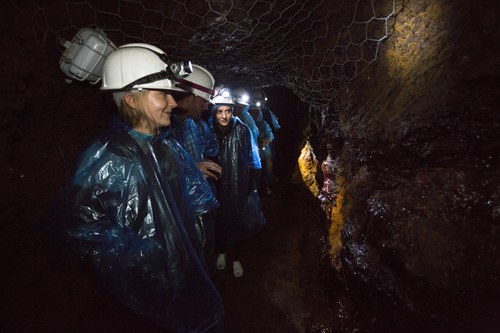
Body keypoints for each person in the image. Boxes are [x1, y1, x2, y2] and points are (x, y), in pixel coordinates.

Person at [42, 43, 224, 332]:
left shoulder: (165, 146)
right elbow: (79, 227)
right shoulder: (109, 156)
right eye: (162, 94)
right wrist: (143, 258)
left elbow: (188, 205)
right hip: (141, 295)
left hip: (180, 276)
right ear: (131, 99)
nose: (173, 103)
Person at [170, 64, 222, 275]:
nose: (207, 107)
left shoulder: (194, 125)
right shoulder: (163, 127)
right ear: (190, 97)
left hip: (199, 206)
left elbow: (210, 148)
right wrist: (191, 168)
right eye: (203, 101)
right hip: (178, 212)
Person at [210, 88, 266, 278]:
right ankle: (222, 253)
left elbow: (254, 159)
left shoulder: (242, 129)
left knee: (237, 219)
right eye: (220, 111)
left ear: (233, 111)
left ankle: (236, 258)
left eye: (228, 111)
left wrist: (251, 186)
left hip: (238, 185)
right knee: (219, 220)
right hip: (216, 185)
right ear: (214, 112)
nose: (224, 116)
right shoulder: (208, 129)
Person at [248, 101, 274, 196]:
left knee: (262, 174)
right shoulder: (245, 123)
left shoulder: (262, 124)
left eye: (256, 111)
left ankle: (262, 192)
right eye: (252, 111)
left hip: (261, 155)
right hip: (250, 158)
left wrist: (264, 141)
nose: (254, 113)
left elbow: (270, 135)